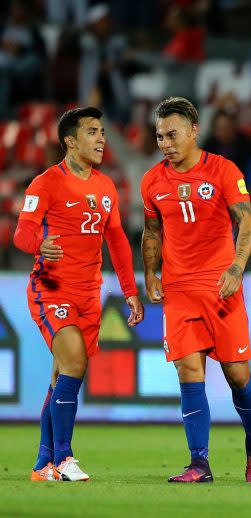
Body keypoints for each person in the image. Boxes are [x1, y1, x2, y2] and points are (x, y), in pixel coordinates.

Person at [140, 97, 251, 484]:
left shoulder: (223, 171)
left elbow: (247, 224)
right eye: (159, 136)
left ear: (194, 131)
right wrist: (150, 273)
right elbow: (152, 231)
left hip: (221, 286)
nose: (165, 143)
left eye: (172, 134)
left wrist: (237, 267)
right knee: (188, 370)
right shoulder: (152, 181)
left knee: (237, 376)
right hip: (179, 289)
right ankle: (199, 463)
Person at [14, 106, 143, 482]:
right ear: (70, 141)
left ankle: (43, 465)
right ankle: (66, 457)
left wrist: (130, 291)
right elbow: (21, 234)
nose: (101, 138)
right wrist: (42, 244)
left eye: (102, 131)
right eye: (92, 132)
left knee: (62, 377)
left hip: (89, 294)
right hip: (51, 288)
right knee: (73, 362)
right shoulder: (46, 183)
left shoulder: (105, 186)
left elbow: (117, 240)